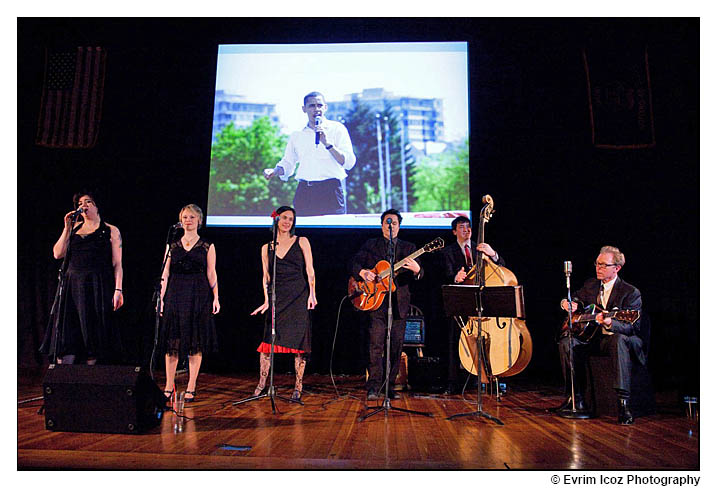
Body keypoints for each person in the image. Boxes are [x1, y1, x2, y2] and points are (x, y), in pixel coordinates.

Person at [557, 246, 643, 425]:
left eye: (604, 265)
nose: (598, 268)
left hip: (618, 339)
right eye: (597, 264)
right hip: (594, 338)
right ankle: (576, 398)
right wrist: (568, 303)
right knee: (567, 342)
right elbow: (577, 298)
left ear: (616, 268)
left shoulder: (630, 292)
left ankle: (623, 404)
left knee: (618, 340)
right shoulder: (591, 285)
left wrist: (612, 322)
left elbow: (633, 328)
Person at [40, 191, 124, 365]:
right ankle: (65, 382)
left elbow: (117, 264)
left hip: (96, 285)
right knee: (68, 333)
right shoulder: (74, 229)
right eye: (80, 203)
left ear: (97, 205)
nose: (83, 205)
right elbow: (57, 254)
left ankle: (90, 380)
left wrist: (118, 289)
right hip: (72, 286)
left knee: (92, 334)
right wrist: (67, 228)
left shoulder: (110, 230)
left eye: (88, 202)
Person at [350, 209, 423, 401]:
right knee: (375, 345)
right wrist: (364, 273)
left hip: (399, 304)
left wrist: (417, 270)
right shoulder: (371, 245)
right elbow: (353, 264)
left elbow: (420, 275)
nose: (390, 226)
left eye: (394, 223)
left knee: (396, 346)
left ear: (399, 226)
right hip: (376, 303)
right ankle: (373, 386)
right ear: (382, 225)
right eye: (387, 223)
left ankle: (389, 385)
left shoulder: (409, 248)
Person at [251, 206, 317, 401]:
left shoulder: (302, 241)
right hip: (277, 297)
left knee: (298, 344)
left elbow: (310, 271)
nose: (287, 222)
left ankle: (298, 386)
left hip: (298, 295)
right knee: (268, 343)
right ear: (276, 219)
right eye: (284, 218)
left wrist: (312, 294)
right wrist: (265, 300)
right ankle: (262, 384)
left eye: (291, 219)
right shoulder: (267, 247)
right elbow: (266, 277)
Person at [159, 204, 220, 403]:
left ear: (199, 221)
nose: (188, 220)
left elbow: (212, 273)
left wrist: (216, 297)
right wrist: (160, 298)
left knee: (195, 342)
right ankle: (169, 385)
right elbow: (165, 273)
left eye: (192, 217)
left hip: (198, 293)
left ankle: (192, 385)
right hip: (175, 293)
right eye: (185, 217)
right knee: (172, 342)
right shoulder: (172, 245)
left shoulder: (207, 246)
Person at [263, 91, 356, 216]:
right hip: (305, 192)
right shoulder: (297, 134)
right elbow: (288, 163)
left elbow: (348, 162)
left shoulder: (337, 129)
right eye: (312, 106)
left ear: (325, 107)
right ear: (304, 109)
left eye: (319, 105)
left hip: (331, 190)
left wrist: (328, 144)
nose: (316, 109)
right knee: (305, 234)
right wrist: (274, 171)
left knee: (333, 234)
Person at [441, 215, 505, 395]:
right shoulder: (448, 252)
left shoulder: (481, 247)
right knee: (455, 341)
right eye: (461, 227)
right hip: (460, 302)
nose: (466, 230)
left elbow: (502, 267)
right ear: (454, 232)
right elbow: (444, 275)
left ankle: (487, 379)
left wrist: (493, 254)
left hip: (482, 302)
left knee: (487, 340)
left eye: (468, 227)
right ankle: (453, 382)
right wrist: (456, 277)